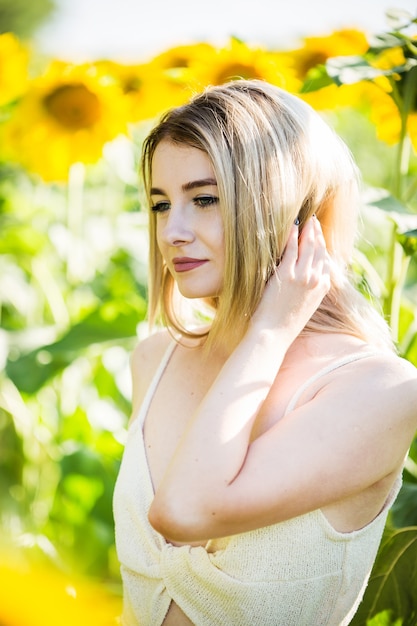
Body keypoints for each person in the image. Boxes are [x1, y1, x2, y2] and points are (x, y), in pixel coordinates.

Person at [113, 79, 417, 626]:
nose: (172, 232)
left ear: (288, 209)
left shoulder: (380, 390)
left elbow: (183, 511)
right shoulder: (154, 359)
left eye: (204, 199)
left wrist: (271, 332)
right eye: (161, 204)